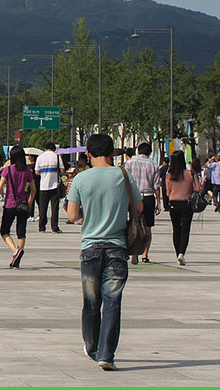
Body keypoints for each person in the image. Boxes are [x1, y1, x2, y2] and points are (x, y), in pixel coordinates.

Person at [66, 133, 143, 370]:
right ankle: (106, 355)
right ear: (112, 153)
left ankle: (92, 347)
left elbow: (72, 216)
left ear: (88, 154)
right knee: (112, 302)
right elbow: (139, 207)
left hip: (90, 248)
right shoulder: (123, 175)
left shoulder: (81, 179)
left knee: (91, 303)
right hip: (117, 248)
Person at [0, 145, 36, 268]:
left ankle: (15, 251)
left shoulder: (7, 170)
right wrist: (29, 203)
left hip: (10, 204)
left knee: (4, 230)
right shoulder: (27, 171)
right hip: (23, 204)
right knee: (21, 232)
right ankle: (17, 259)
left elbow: (0, 187)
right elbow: (34, 190)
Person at [123, 142, 162, 264]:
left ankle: (133, 251)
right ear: (149, 153)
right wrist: (159, 202)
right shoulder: (154, 165)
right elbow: (156, 186)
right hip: (148, 197)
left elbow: (124, 181)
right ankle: (144, 253)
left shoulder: (129, 163)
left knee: (133, 224)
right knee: (147, 227)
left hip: (133, 197)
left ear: (138, 151)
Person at [165, 150, 202, 265]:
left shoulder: (170, 175)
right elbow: (198, 189)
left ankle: (177, 254)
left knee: (176, 230)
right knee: (185, 230)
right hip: (186, 204)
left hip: (173, 204)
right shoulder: (190, 173)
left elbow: (167, 193)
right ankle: (182, 253)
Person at [35, 142, 65, 233]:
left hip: (43, 186)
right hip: (55, 185)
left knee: (43, 207)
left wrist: (45, 173)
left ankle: (41, 227)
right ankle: (54, 227)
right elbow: (62, 170)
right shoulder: (56, 157)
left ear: (45, 148)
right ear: (54, 149)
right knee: (55, 207)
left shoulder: (40, 157)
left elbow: (36, 172)